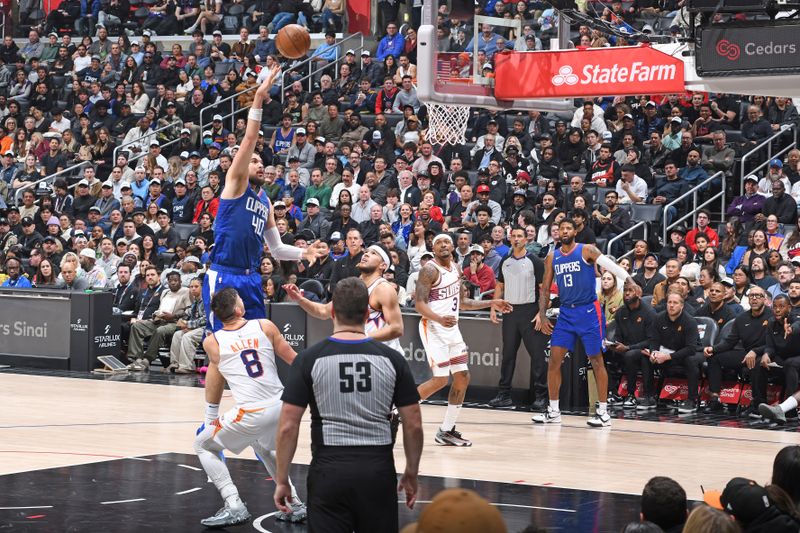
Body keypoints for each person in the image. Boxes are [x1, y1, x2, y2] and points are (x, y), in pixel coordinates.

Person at [274, 278, 423, 532]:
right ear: (367, 313)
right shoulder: (393, 359)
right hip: (378, 470)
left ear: (332, 312)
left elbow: (288, 426)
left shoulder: (309, 359)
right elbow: (414, 424)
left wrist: (282, 479)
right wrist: (411, 471)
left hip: (329, 470)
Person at [202, 66, 325, 330]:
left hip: (251, 277)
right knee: (222, 342)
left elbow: (278, 248)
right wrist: (258, 97)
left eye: (261, 162)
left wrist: (305, 251)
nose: (259, 165)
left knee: (257, 337)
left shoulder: (266, 202)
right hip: (225, 274)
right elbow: (249, 138)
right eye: (253, 161)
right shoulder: (235, 184)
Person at [193, 288, 306, 527]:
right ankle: (293, 503)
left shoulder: (213, 341)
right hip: (280, 405)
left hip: (252, 412)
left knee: (203, 444)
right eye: (241, 300)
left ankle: (233, 504)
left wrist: (210, 415)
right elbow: (296, 361)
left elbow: (216, 379)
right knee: (264, 448)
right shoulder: (265, 325)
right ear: (238, 309)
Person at [533, 218, 636, 427]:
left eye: (568, 228)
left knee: (596, 360)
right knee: (554, 361)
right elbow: (545, 289)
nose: (564, 231)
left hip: (588, 311)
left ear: (575, 231)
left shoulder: (586, 250)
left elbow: (610, 266)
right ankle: (553, 411)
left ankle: (604, 412)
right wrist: (542, 315)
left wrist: (630, 280)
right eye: (561, 228)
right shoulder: (552, 257)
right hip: (566, 314)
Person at [414, 233, 511, 446]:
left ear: (453, 245)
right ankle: (394, 410)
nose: (443, 245)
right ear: (433, 247)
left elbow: (463, 303)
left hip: (452, 329)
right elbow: (419, 305)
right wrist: (439, 318)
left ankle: (446, 430)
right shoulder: (429, 270)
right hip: (433, 327)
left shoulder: (457, 268)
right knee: (440, 380)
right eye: (438, 242)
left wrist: (492, 302)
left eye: (446, 241)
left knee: (463, 376)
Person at [284, 244, 403, 354]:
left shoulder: (383, 289)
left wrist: (363, 337)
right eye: (366, 251)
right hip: (363, 354)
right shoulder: (352, 286)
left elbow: (396, 328)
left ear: (383, 265)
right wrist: (300, 299)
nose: (366, 254)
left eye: (373, 253)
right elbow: (323, 311)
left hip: (385, 356)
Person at [488, 226, 548, 410]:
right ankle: (504, 395)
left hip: (530, 312)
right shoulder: (505, 260)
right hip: (510, 312)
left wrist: (541, 313)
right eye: (513, 236)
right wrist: (493, 307)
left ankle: (541, 397)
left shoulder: (535, 261)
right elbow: (500, 285)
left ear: (526, 239)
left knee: (537, 356)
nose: (516, 239)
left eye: (519, 236)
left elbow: (544, 290)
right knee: (508, 356)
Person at [702, 285, 771, 413]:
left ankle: (758, 404)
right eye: (751, 296)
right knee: (714, 358)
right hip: (746, 353)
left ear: (765, 299)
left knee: (757, 364)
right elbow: (730, 341)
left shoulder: (772, 316)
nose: (754, 299)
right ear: (748, 299)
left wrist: (756, 351)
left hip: (766, 353)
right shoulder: (741, 318)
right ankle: (715, 399)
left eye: (758, 296)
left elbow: (774, 343)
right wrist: (713, 348)